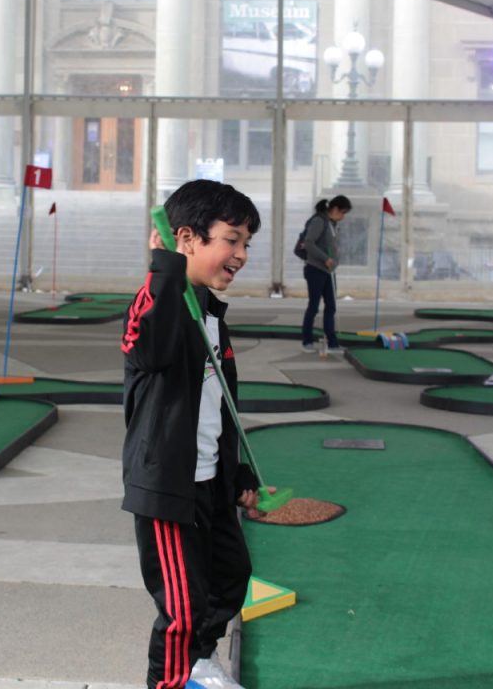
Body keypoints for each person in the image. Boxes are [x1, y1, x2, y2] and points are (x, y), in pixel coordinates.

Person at [120, 179, 267, 689]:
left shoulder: (209, 311)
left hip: (210, 479)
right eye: (232, 239)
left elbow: (220, 404)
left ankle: (199, 663)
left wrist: (239, 470)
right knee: (181, 607)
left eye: (247, 242)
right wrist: (163, 269)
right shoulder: (157, 303)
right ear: (187, 238)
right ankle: (170, 682)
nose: (242, 254)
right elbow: (145, 349)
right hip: (168, 486)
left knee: (230, 575)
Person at [300, 195, 352, 354]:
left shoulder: (332, 224)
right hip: (315, 269)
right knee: (314, 306)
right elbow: (308, 243)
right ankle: (307, 341)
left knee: (331, 306)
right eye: (342, 212)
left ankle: (332, 343)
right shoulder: (319, 221)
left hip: (328, 271)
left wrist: (333, 261)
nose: (343, 217)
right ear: (334, 209)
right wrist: (325, 258)